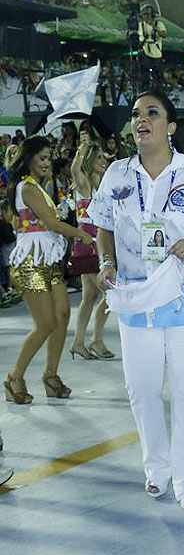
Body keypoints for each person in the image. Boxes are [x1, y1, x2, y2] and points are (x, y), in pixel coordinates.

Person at [89, 90, 184, 510]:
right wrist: (106, 260)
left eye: (151, 113)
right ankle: (156, 470)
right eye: (135, 114)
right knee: (142, 390)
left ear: (171, 126)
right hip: (135, 295)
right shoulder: (117, 174)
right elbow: (104, 225)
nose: (141, 120)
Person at [4, 136, 93, 404]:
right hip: (29, 263)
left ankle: (51, 377)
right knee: (45, 325)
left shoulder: (39, 188)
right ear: (28, 158)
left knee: (63, 315)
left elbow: (49, 222)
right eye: (42, 158)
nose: (47, 163)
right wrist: (81, 233)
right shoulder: (26, 187)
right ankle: (13, 378)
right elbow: (52, 224)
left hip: (47, 261)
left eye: (48, 158)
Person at [68, 139, 114, 360]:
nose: (103, 161)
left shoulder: (103, 183)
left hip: (98, 242)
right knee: (107, 292)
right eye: (98, 158)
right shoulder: (85, 184)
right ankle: (94, 339)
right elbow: (75, 169)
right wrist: (82, 149)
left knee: (91, 295)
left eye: (104, 157)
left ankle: (81, 341)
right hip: (88, 242)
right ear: (89, 160)